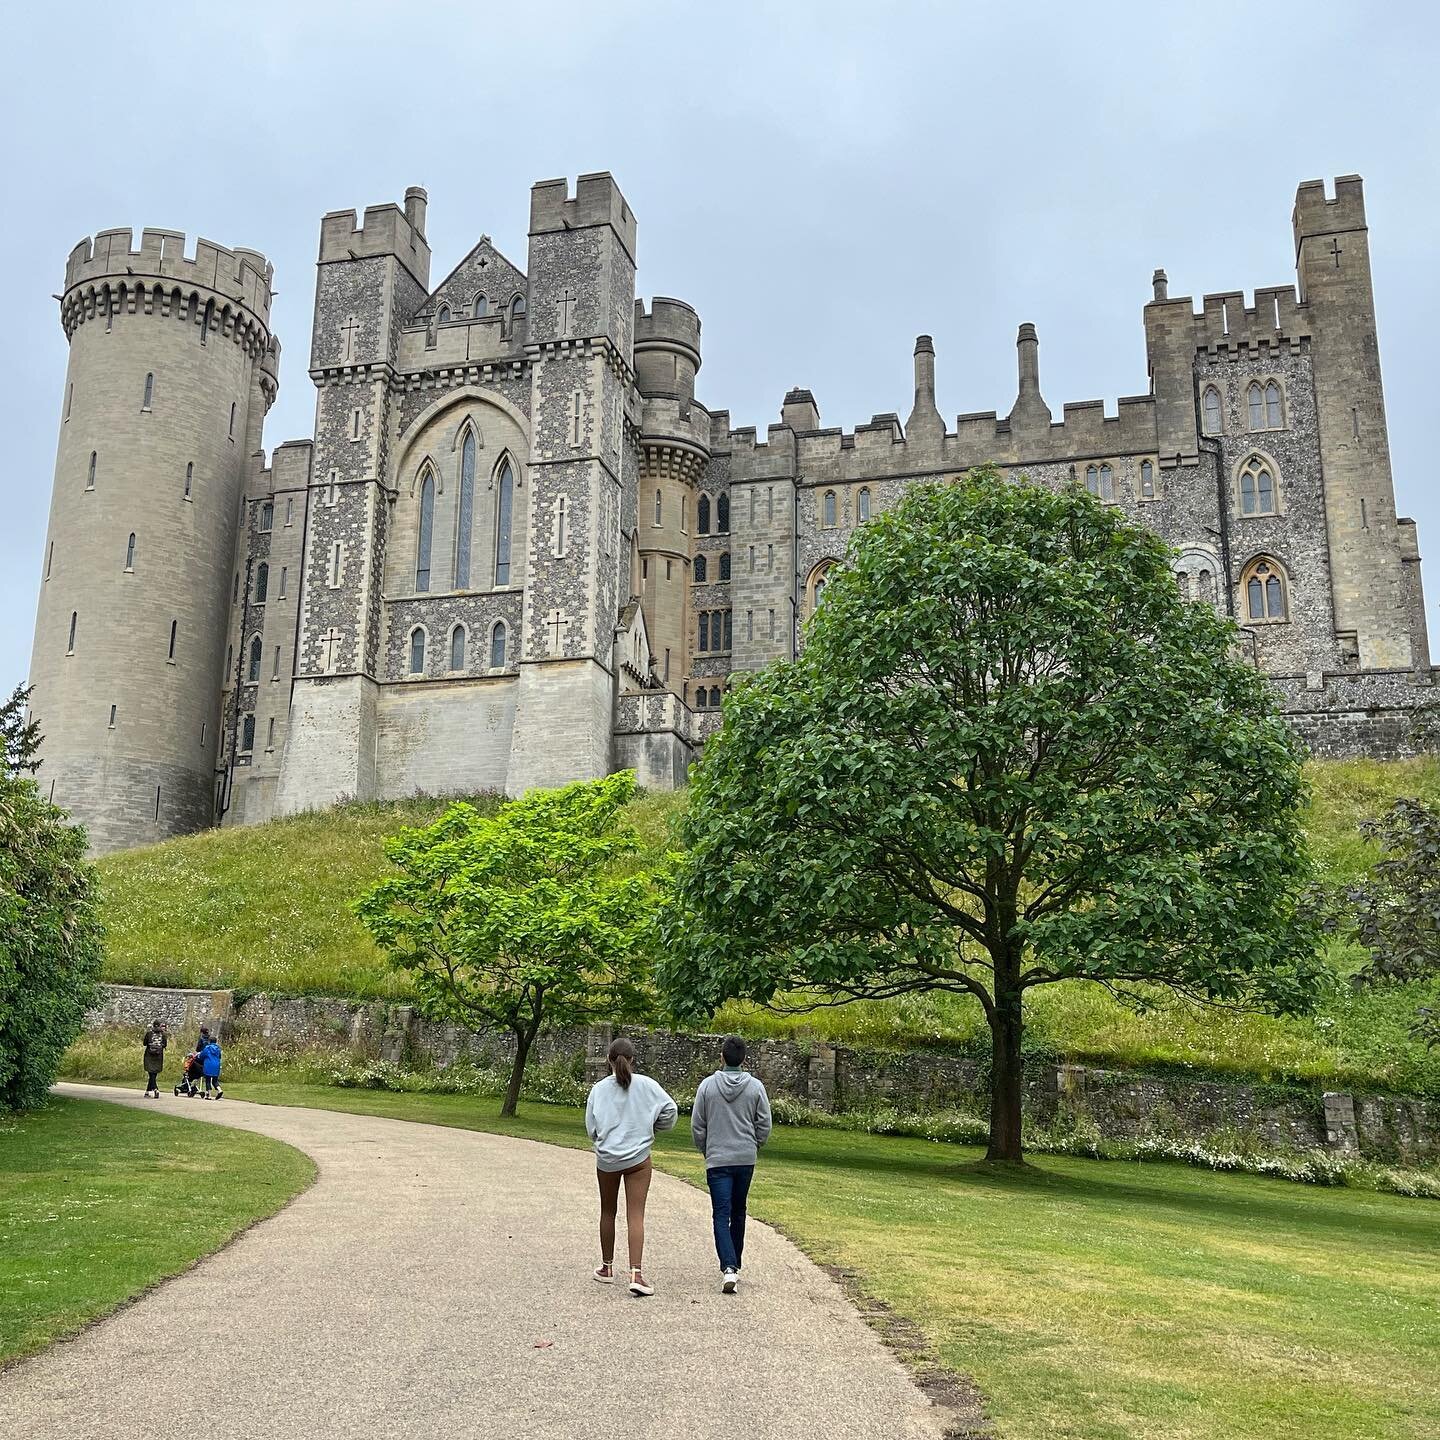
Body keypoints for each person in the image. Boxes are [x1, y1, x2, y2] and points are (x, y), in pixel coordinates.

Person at [584, 1037, 677, 1298]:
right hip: (638, 1159)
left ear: (609, 1061)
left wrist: (602, 1139)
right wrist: (653, 1127)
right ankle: (636, 1272)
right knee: (635, 1214)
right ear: (633, 1060)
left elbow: (591, 1128)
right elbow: (670, 1110)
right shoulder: (647, 1086)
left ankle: (607, 1267)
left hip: (608, 1159)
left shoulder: (599, 1090)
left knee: (607, 1211)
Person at [691, 1035, 772, 1293]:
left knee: (721, 1213)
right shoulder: (756, 1087)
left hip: (718, 1159)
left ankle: (729, 1267)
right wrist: (753, 1145)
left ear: (722, 1057)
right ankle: (734, 1264)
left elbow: (698, 1125)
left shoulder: (707, 1087)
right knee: (739, 1211)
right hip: (745, 1158)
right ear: (744, 1059)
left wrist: (707, 1149)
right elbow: (764, 1124)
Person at [141, 1019, 167, 1098]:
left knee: (151, 1073)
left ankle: (155, 1089)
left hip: (149, 1055)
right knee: (153, 1074)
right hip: (158, 1056)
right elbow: (165, 1044)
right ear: (159, 1025)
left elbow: (144, 1043)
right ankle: (147, 1091)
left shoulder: (149, 1033)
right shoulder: (163, 1034)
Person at [199, 1032, 223, 1099]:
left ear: (209, 1041)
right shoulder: (218, 1049)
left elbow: (202, 1055)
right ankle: (220, 1090)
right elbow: (220, 1056)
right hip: (216, 1065)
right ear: (216, 1042)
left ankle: (209, 1095)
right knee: (215, 1080)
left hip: (208, 1065)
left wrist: (199, 1056)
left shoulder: (208, 1048)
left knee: (208, 1080)